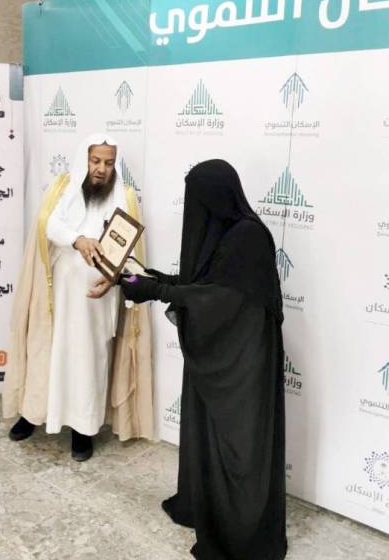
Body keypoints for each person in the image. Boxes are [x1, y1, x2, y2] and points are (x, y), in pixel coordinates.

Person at [121, 160, 287, 560]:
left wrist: (156, 291)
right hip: (226, 353)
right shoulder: (227, 233)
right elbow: (204, 283)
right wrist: (148, 279)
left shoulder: (248, 236)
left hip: (244, 362)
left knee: (239, 444)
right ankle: (208, 508)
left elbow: (219, 298)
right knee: (210, 435)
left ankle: (242, 534)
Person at [2, 133, 153, 461]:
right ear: (84, 160)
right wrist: (78, 240)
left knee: (87, 361)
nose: (101, 169)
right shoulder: (63, 188)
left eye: (108, 163)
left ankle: (83, 430)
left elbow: (130, 252)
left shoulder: (124, 197)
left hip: (95, 301)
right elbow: (49, 226)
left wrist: (115, 277)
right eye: (95, 161)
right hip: (56, 297)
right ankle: (33, 414)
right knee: (47, 353)